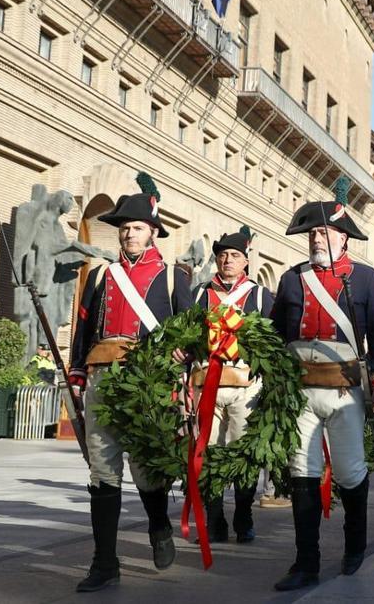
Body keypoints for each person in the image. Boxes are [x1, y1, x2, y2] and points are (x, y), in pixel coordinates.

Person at [67, 173, 192, 592]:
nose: (128, 235)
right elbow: (84, 329)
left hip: (148, 381)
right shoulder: (103, 275)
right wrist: (78, 373)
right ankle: (105, 562)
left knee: (145, 470)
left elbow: (193, 331)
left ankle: (159, 526)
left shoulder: (175, 277)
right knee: (102, 471)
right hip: (102, 376)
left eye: (136, 228)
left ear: (153, 231)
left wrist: (185, 352)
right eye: (123, 229)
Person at [269, 199, 374, 591]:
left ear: (343, 237)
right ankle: (306, 562)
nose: (315, 239)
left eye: (322, 233)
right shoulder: (291, 279)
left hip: (344, 388)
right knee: (300, 472)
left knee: (351, 470)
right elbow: (276, 334)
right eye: (312, 234)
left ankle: (354, 549)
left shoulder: (367, 278)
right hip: (299, 389)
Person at [191, 226, 274, 545]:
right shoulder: (200, 294)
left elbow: (272, 343)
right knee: (208, 454)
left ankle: (243, 515)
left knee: (243, 454)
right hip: (205, 384)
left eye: (235, 255)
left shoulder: (260, 295)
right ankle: (214, 520)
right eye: (223, 255)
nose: (227, 260)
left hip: (246, 386)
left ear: (246, 261)